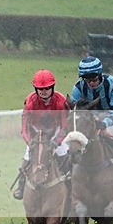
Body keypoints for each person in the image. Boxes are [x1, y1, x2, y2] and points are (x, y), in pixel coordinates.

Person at [70, 56, 113, 183]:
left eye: (94, 79)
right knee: (75, 141)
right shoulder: (78, 88)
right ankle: (69, 170)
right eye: (87, 79)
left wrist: (104, 123)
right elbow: (76, 109)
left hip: (111, 114)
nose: (91, 83)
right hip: (89, 117)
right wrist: (92, 119)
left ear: (100, 74)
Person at [12, 69, 71, 200]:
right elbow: (24, 128)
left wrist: (56, 142)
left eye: (47, 88)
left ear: (52, 87)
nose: (44, 92)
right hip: (36, 132)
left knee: (63, 152)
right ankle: (21, 186)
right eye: (40, 89)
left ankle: (70, 184)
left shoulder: (60, 101)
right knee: (28, 155)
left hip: (55, 130)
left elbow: (65, 126)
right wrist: (30, 142)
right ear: (36, 89)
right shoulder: (30, 101)